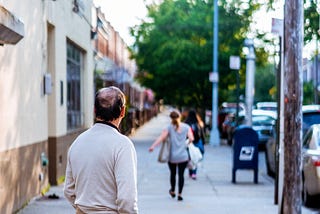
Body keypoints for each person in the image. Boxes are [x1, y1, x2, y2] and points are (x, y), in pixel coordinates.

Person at [64, 86, 138, 214]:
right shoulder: (122, 145)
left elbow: (68, 191)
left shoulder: (77, 142)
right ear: (123, 112)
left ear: (94, 110)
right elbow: (127, 199)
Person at [149, 110, 194, 201]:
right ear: (180, 117)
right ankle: (180, 194)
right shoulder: (186, 127)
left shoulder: (168, 128)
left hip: (172, 156)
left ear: (171, 118)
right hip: (183, 156)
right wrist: (186, 144)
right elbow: (191, 138)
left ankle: (173, 191)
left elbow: (162, 138)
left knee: (173, 174)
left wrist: (153, 146)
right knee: (181, 175)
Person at [184, 109, 206, 180]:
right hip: (197, 142)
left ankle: (190, 172)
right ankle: (194, 173)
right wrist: (203, 141)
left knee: (190, 157)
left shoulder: (186, 123)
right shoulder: (198, 123)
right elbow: (202, 133)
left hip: (189, 142)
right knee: (195, 158)